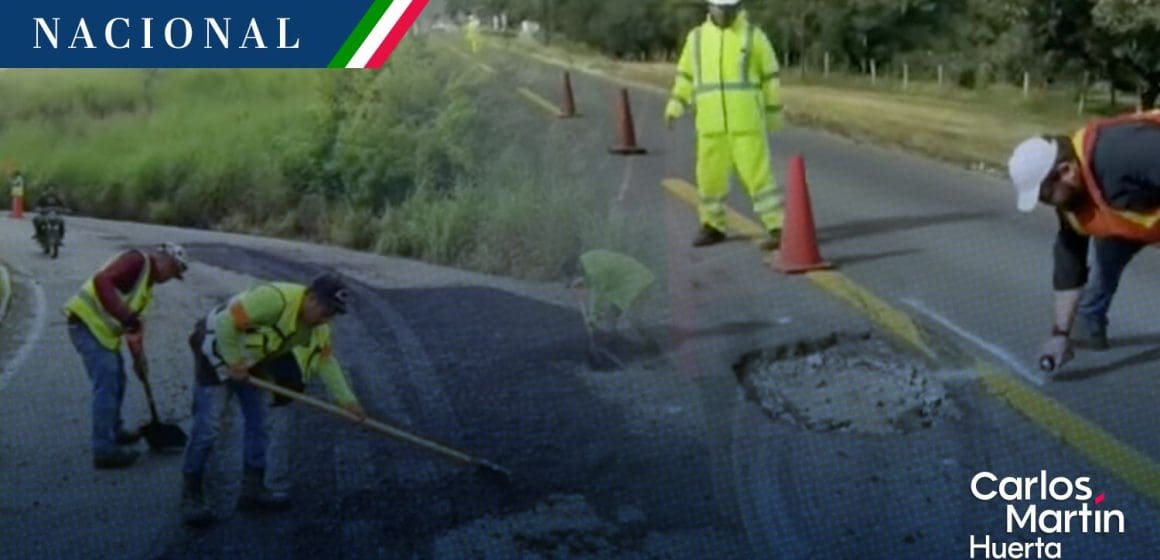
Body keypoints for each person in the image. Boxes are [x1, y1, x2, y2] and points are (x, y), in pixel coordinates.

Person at [180, 273, 365, 527]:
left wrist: (347, 402)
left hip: (251, 360)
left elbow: (325, 362)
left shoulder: (319, 328)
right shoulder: (275, 299)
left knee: (259, 425)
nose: (328, 318)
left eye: (333, 313)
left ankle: (253, 489)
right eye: (326, 310)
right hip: (215, 350)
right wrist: (233, 362)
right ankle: (191, 493)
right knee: (209, 428)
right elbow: (226, 322)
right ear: (311, 298)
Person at [1006, 110, 1160, 372]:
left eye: (1045, 196)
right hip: (1136, 210)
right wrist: (1059, 334)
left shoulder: (1124, 151)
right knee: (1106, 249)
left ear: (1065, 171)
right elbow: (1069, 260)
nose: (1047, 205)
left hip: (1144, 189)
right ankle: (1089, 319)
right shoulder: (1072, 196)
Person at [665, 0, 785, 249]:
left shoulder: (754, 37)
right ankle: (712, 225)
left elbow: (770, 77)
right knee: (709, 179)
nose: (724, 14)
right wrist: (676, 104)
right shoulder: (696, 39)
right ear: (709, 8)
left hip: (746, 123)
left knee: (759, 178)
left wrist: (773, 113)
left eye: (729, 9)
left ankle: (779, 227)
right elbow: (685, 75)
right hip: (710, 125)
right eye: (719, 9)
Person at [63, 243, 189, 468]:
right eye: (173, 272)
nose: (170, 278)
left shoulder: (147, 284)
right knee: (107, 385)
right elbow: (101, 281)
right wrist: (125, 315)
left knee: (119, 380)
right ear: (165, 260)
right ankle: (103, 450)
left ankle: (115, 430)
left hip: (101, 334)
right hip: (85, 325)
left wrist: (139, 358)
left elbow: (133, 327)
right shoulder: (137, 261)